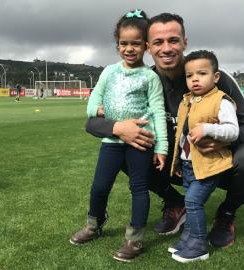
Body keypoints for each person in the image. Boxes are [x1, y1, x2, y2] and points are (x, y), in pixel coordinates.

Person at [86, 13, 244, 249]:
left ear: (185, 42)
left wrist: (222, 140)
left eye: (173, 40)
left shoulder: (210, 76)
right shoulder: (142, 79)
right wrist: (117, 127)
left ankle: (226, 214)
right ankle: (175, 202)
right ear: (148, 47)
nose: (166, 48)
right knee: (123, 149)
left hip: (212, 164)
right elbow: (91, 124)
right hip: (168, 164)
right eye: (158, 42)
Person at [70, 9, 168, 262]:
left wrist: (162, 149)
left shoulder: (150, 77)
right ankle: (94, 225)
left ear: (145, 46)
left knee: (139, 188)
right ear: (117, 46)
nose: (129, 49)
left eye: (136, 43)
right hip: (111, 142)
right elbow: (94, 100)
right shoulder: (109, 72)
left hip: (141, 142)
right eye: (124, 43)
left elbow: (158, 112)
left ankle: (134, 239)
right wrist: (97, 109)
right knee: (100, 187)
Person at [169, 50, 239, 262]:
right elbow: (182, 133)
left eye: (202, 73)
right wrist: (180, 159)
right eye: (190, 76)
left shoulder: (221, 101)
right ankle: (188, 239)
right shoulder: (186, 101)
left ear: (215, 76)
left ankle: (199, 245)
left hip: (210, 165)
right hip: (190, 165)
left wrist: (208, 129)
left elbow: (233, 131)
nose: (195, 79)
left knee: (192, 202)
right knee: (192, 204)